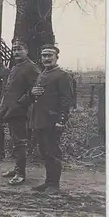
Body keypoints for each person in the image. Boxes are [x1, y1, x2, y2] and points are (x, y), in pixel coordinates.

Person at [23, 44, 74, 194]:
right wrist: (32, 93)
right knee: (44, 151)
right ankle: (48, 182)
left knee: (52, 152)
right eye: (44, 55)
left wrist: (61, 120)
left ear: (56, 57)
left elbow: (66, 100)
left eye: (49, 55)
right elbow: (35, 96)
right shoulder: (42, 74)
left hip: (52, 120)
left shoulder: (63, 75)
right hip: (39, 119)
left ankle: (54, 185)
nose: (46, 58)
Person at [0, 39, 39, 186]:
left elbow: (35, 90)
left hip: (20, 111)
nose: (16, 52)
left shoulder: (31, 68)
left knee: (20, 142)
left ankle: (21, 174)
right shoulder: (16, 67)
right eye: (14, 49)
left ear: (26, 51)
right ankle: (17, 169)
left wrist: (21, 103)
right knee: (15, 142)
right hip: (10, 110)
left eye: (19, 49)